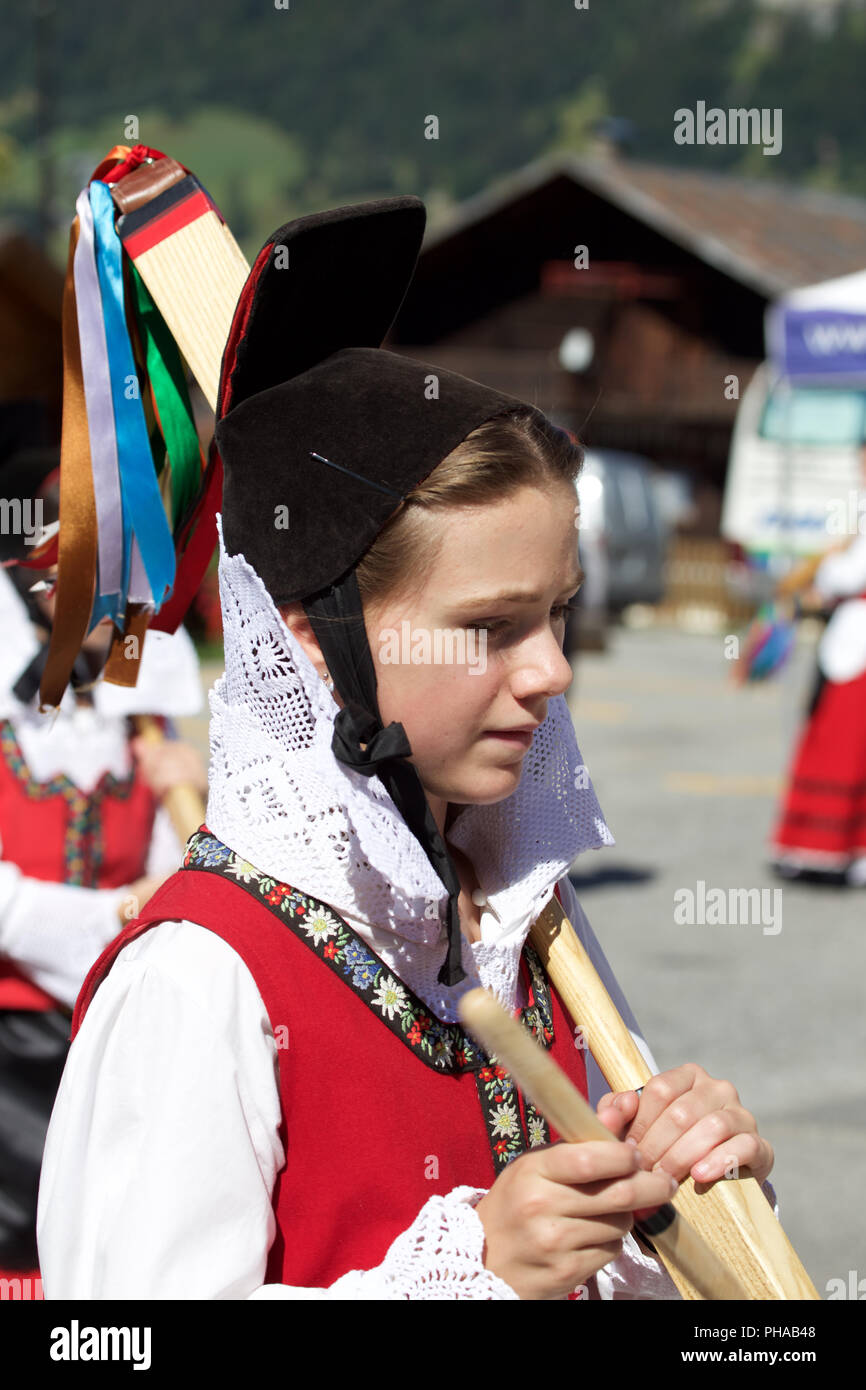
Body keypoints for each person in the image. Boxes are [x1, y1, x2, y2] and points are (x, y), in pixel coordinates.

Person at [37, 197, 776, 1300]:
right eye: (489, 627)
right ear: (314, 643)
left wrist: (692, 1210)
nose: (552, 671)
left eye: (556, 612)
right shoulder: (202, 979)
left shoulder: (520, 920)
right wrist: (465, 1279)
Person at [0, 439, 206, 1285]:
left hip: (116, 1035)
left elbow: (182, 885)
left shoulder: (136, 711)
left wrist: (204, 808)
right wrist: (125, 913)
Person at [769, 485, 866, 886]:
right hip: (846, 641)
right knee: (829, 740)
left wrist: (828, 565)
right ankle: (812, 844)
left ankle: (846, 848)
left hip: (857, 642)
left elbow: (849, 573)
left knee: (847, 746)